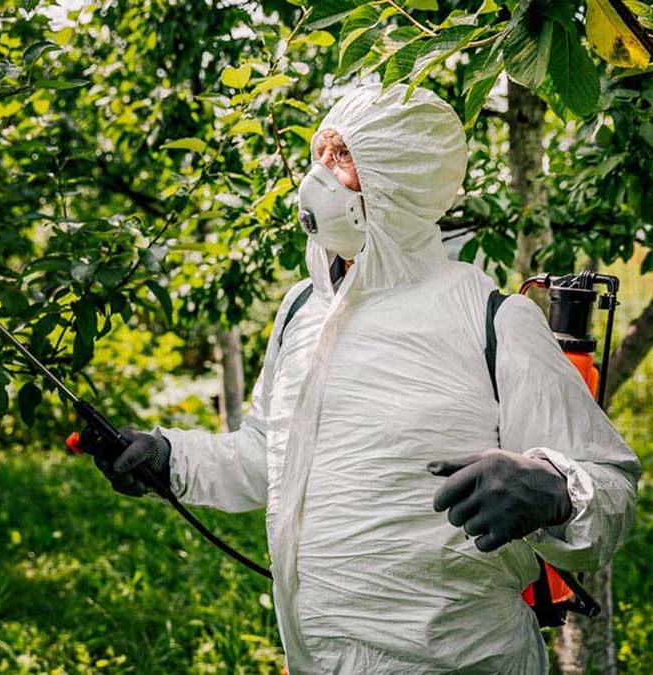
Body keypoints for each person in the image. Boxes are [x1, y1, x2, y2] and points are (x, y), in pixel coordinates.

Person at [89, 84, 640, 673]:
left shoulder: (494, 320)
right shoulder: (303, 309)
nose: (318, 176)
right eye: (319, 153)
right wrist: (168, 457)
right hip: (312, 660)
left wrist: (555, 491)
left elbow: (613, 490)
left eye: (342, 157)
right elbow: (264, 455)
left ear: (398, 181)